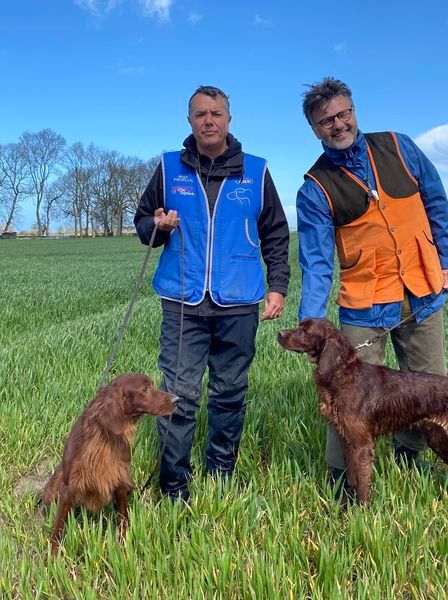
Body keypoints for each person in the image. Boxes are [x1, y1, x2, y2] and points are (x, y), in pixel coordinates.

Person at [296, 77, 448, 490]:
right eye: (326, 121)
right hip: (365, 304)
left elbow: (436, 202)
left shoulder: (400, 146)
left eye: (343, 114)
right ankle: (341, 479)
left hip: (424, 289)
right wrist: (310, 324)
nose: (338, 124)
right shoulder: (314, 189)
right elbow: (316, 263)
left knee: (425, 385)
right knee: (345, 396)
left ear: (354, 110)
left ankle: (410, 455)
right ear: (314, 129)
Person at [134, 85, 290, 502]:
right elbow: (142, 225)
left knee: (229, 392)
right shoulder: (169, 169)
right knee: (178, 394)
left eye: (216, 113)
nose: (208, 120)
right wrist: (158, 226)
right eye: (200, 114)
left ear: (229, 120)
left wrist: (277, 287)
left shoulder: (255, 172)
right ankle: (173, 484)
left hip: (238, 303)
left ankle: (220, 470)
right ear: (189, 121)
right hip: (183, 301)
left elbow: (275, 232)